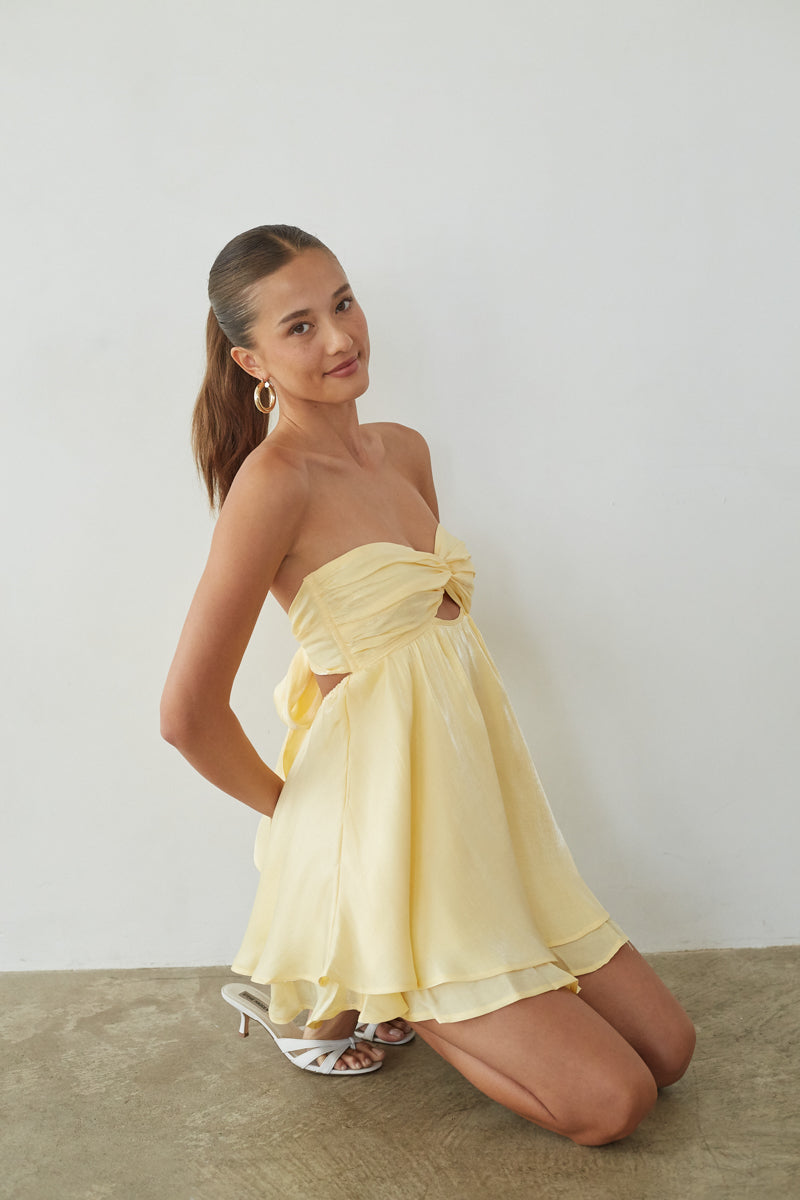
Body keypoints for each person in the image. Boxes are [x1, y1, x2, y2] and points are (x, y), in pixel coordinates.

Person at [160, 224, 695, 1145]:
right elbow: (185, 714)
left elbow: (414, 641)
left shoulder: (404, 450)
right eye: (300, 326)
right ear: (251, 360)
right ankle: (382, 975)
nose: (340, 337)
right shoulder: (272, 486)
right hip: (377, 828)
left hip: (468, 808)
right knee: (615, 1104)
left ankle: (381, 984)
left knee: (669, 1052)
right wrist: (304, 824)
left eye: (344, 303)